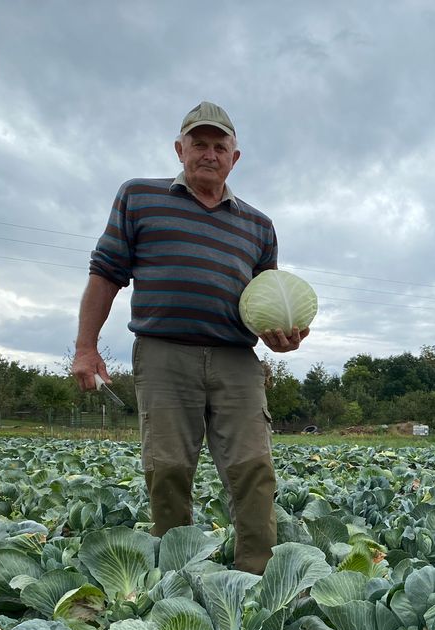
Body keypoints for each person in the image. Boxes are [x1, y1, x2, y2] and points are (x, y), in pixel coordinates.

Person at [71, 101, 310, 574]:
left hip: (235, 358)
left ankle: (257, 580)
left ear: (234, 158)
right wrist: (86, 346)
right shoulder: (139, 196)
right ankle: (174, 580)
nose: (209, 153)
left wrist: (281, 338)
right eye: (198, 144)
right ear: (179, 150)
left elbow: (267, 297)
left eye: (219, 146)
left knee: (253, 469)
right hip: (164, 354)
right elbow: (106, 273)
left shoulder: (259, 225)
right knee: (168, 470)